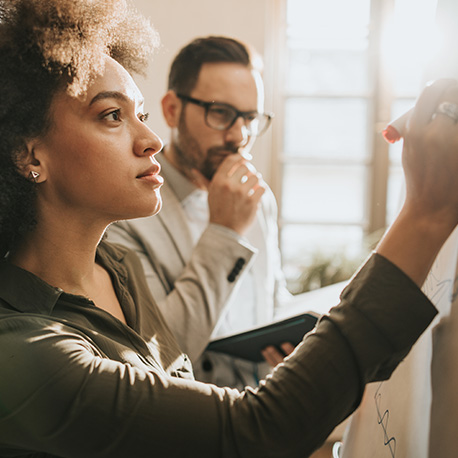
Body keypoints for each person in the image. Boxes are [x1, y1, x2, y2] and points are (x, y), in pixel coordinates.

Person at [1, 1, 458, 457]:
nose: (151, 140)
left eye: (139, 114)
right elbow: (251, 429)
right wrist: (424, 213)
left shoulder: (117, 269)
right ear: (29, 155)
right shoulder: (23, 352)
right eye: (112, 116)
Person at [107, 36, 294, 389]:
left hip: (263, 415)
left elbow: (272, 298)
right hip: (190, 426)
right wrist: (225, 232)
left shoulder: (259, 196)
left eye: (250, 118)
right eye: (221, 113)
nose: (240, 136)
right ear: (172, 109)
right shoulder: (127, 210)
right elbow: (157, 353)